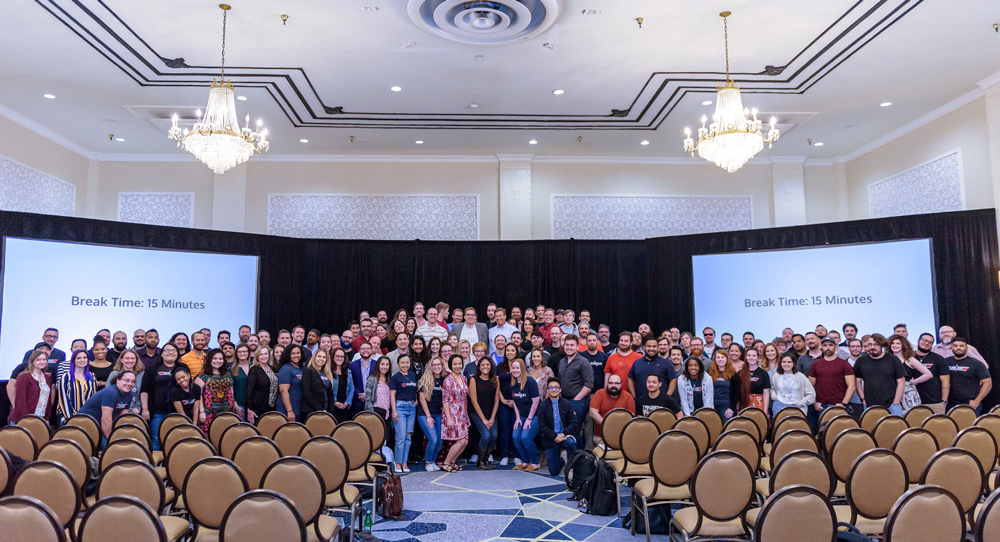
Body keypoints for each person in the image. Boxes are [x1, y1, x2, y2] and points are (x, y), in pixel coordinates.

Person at [139, 343, 185, 449]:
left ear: (177, 354)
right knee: (156, 439)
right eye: (167, 350)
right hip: (157, 411)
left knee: (177, 438)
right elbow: (144, 390)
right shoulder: (152, 369)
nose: (170, 353)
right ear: (162, 354)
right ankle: (155, 464)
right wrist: (145, 409)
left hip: (178, 411)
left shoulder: (182, 368)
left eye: (173, 350)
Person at [77, 370, 139, 445]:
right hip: (84, 426)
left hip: (100, 426)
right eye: (126, 380)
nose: (130, 384)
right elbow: (106, 420)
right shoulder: (111, 393)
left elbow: (122, 418)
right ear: (118, 381)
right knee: (111, 447)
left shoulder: (129, 394)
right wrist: (111, 440)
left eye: (133, 381)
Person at [808, 337, 858, 424]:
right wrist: (815, 403)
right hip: (821, 406)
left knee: (840, 433)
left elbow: (852, 386)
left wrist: (844, 404)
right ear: (821, 347)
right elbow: (810, 385)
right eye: (825, 345)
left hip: (839, 405)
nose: (828, 348)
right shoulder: (816, 364)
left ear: (835, 346)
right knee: (823, 434)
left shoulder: (844, 364)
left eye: (830, 345)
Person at [854, 334, 906, 416]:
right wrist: (863, 399)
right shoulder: (861, 361)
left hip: (892, 404)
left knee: (896, 428)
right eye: (870, 344)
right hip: (869, 405)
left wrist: (896, 401)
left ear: (882, 345)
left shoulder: (893, 360)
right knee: (870, 428)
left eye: (876, 344)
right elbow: (858, 382)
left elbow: (901, 381)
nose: (872, 347)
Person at [538, 377, 580, 476]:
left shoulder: (567, 404)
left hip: (565, 436)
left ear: (560, 389)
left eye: (556, 387)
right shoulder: (542, 406)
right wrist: (555, 436)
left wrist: (563, 434)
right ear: (547, 390)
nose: (554, 389)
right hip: (551, 438)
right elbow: (542, 427)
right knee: (554, 471)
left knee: (571, 443)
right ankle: (562, 459)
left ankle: (571, 467)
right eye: (551, 388)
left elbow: (574, 423)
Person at [195, 349, 241, 431]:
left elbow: (231, 392)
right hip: (209, 413)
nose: (218, 361)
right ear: (209, 360)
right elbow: (198, 396)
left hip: (227, 412)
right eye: (215, 358)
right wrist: (201, 412)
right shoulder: (202, 376)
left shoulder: (227, 374)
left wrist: (235, 406)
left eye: (220, 359)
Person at [887, 334, 933, 414]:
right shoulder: (887, 360)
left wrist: (913, 382)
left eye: (898, 343)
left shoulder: (910, 360)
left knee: (912, 417)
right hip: (891, 392)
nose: (894, 345)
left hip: (908, 394)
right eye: (892, 343)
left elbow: (928, 374)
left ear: (904, 345)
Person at [508, 358, 541, 471]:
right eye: (513, 368)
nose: (515, 370)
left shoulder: (530, 382)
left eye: (518, 368)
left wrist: (529, 418)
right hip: (522, 416)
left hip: (535, 416)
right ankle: (526, 461)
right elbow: (516, 402)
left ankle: (535, 463)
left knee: (526, 438)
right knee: (516, 437)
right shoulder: (512, 384)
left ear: (522, 369)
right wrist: (518, 418)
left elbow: (536, 401)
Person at [945, 337, 992, 414]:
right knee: (951, 426)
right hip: (950, 404)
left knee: (971, 426)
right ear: (952, 348)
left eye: (961, 346)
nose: (958, 348)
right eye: (955, 346)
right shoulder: (945, 362)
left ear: (966, 348)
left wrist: (976, 401)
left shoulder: (976, 363)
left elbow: (988, 383)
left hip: (971, 403)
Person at [469, 357, 500, 470]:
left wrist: (492, 418)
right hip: (477, 413)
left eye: (488, 364)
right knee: (486, 436)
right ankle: (480, 461)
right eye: (483, 365)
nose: (485, 367)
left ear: (491, 366)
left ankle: (486, 459)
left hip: (491, 413)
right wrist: (484, 419)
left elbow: (497, 400)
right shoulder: (473, 380)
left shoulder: (495, 379)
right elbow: (474, 401)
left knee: (494, 436)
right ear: (479, 367)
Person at [441, 354, 471, 472]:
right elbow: (445, 400)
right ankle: (446, 463)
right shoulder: (447, 380)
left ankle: (452, 462)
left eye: (459, 364)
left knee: (465, 441)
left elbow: (465, 398)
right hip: (452, 413)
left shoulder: (464, 378)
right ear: (451, 365)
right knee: (460, 441)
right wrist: (448, 418)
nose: (458, 366)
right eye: (455, 364)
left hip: (463, 413)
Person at [9, 350, 55, 424]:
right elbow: (20, 400)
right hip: (23, 418)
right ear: (32, 361)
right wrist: (26, 419)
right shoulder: (24, 376)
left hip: (41, 418)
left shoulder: (46, 378)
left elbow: (48, 400)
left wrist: (47, 418)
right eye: (38, 360)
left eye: (44, 359)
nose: (42, 362)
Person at [589, 374, 635, 447]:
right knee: (603, 456)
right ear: (607, 383)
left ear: (621, 384)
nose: (613, 385)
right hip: (601, 437)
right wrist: (607, 425)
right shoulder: (599, 394)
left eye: (617, 383)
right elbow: (592, 412)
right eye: (611, 383)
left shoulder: (628, 397)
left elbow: (631, 416)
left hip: (622, 437)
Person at [390, 354, 418, 472]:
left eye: (407, 362)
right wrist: (394, 411)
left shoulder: (413, 375)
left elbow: (415, 389)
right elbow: (392, 395)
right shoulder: (395, 377)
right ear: (398, 364)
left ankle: (405, 462)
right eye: (402, 363)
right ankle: (398, 462)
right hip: (400, 408)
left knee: (408, 437)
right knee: (400, 437)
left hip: (411, 408)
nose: (405, 365)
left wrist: (416, 399)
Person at [418, 357, 446, 471]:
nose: (436, 367)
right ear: (430, 367)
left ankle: (433, 462)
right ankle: (428, 463)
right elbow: (422, 399)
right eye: (434, 365)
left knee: (440, 440)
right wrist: (428, 416)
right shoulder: (424, 380)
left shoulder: (445, 380)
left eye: (438, 364)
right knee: (433, 439)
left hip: (438, 413)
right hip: (424, 414)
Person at [913, 333, 951, 414]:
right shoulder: (909, 357)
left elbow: (945, 382)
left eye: (930, 342)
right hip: (913, 401)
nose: (927, 343)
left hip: (935, 402)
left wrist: (944, 401)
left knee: (937, 425)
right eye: (924, 340)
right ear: (918, 340)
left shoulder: (938, 358)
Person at [58, 349, 98, 423]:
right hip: (68, 416)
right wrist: (71, 417)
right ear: (74, 360)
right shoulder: (66, 376)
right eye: (79, 358)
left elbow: (94, 398)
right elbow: (63, 399)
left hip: (87, 416)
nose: (82, 360)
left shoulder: (92, 376)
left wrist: (89, 415)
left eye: (84, 357)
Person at [365, 357, 394, 448]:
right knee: (375, 439)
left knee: (386, 439)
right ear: (378, 365)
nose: (385, 367)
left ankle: (384, 460)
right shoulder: (372, 379)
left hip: (387, 414)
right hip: (376, 412)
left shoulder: (391, 380)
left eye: (387, 364)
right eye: (382, 364)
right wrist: (372, 414)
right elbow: (368, 398)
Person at [245, 345, 278, 424]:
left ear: (269, 355)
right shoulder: (254, 370)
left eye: (266, 354)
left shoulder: (272, 368)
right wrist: (249, 410)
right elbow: (249, 391)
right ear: (257, 356)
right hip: (257, 410)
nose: (264, 356)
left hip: (271, 408)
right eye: (261, 354)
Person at [276, 345, 307, 421]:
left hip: (299, 408)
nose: (296, 355)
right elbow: (283, 391)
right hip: (288, 409)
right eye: (293, 353)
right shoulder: (285, 369)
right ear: (288, 354)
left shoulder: (301, 368)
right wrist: (289, 410)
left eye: (298, 353)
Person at [301, 349, 334, 419]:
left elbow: (330, 394)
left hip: (326, 410)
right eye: (319, 356)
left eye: (324, 357)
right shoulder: (308, 371)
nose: (321, 359)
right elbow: (307, 393)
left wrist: (330, 411)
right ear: (314, 357)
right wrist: (320, 410)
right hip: (312, 410)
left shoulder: (327, 373)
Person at [708, 349, 738, 420]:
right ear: (715, 360)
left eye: (722, 357)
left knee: (726, 427)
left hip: (727, 406)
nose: (720, 359)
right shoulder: (710, 374)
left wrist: (732, 408)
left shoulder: (733, 374)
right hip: (712, 405)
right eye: (718, 357)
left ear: (727, 359)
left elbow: (737, 393)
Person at [349, 342, 377, 414]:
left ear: (371, 350)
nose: (365, 350)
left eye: (368, 348)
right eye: (363, 348)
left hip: (373, 401)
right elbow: (350, 382)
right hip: (357, 401)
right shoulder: (352, 365)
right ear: (359, 351)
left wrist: (367, 395)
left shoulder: (377, 364)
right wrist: (358, 394)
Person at [329, 348, 355, 423]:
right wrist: (335, 402)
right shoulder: (328, 372)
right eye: (337, 356)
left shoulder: (348, 372)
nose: (340, 358)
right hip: (333, 408)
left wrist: (347, 402)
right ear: (333, 357)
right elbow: (327, 390)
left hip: (345, 407)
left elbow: (351, 389)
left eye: (342, 356)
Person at [231, 343, 252, 411]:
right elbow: (231, 389)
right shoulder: (232, 369)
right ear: (236, 353)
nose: (242, 353)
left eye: (244, 351)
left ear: (248, 353)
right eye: (240, 351)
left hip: (254, 405)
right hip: (240, 405)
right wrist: (235, 405)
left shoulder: (254, 366)